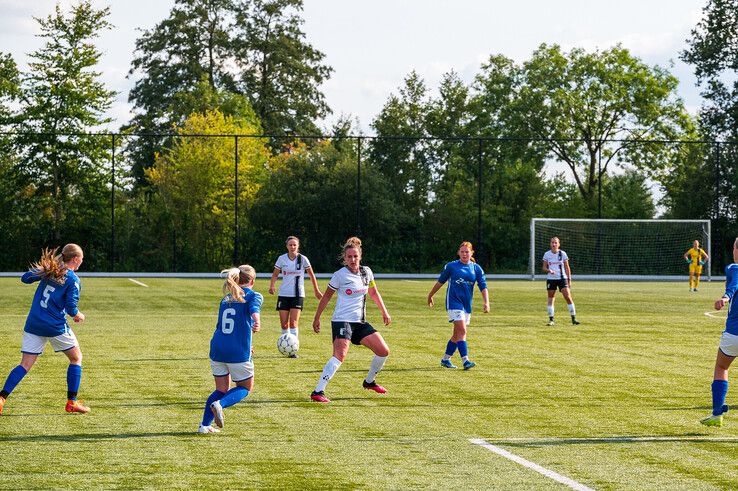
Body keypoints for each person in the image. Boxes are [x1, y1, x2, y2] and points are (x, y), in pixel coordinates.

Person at [0, 244, 89, 415]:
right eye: (82, 259)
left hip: (34, 323)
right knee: (76, 358)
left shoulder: (51, 270)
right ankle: (72, 402)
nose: (81, 262)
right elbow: (71, 308)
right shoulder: (73, 279)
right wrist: (79, 315)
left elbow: (25, 278)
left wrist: (44, 269)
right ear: (76, 259)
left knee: (24, 364)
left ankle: (2, 397)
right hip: (54, 326)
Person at [310, 237, 391, 403]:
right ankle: (318, 391)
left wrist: (384, 312)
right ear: (344, 258)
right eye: (349, 257)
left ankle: (369, 382)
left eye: (355, 256)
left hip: (360, 322)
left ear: (360, 256)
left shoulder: (367, 272)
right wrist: (317, 318)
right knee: (339, 355)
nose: (353, 259)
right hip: (342, 321)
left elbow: (374, 293)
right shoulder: (339, 275)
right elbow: (326, 297)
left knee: (383, 351)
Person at [199, 265, 262, 434]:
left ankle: (204, 426)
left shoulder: (225, 298)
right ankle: (220, 405)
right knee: (245, 387)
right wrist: (257, 321)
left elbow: (223, 325)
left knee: (221, 389)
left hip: (218, 348)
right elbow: (254, 310)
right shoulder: (253, 295)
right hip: (237, 351)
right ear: (252, 281)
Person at [427, 241, 490, 370]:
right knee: (462, 331)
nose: (464, 254)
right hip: (454, 303)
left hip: (467, 305)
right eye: (462, 252)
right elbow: (440, 281)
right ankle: (465, 360)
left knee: (457, 335)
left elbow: (483, 286)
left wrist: (486, 302)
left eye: (467, 252)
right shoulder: (451, 266)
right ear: (458, 253)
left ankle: (445, 359)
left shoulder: (476, 268)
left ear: (471, 253)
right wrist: (430, 295)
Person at [701, 238, 738, 427]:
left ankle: (717, 413)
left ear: (735, 250)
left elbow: (735, 284)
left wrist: (725, 297)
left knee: (722, 368)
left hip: (734, 333)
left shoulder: (733, 267)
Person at [268, 236, 322, 357]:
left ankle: (293, 350)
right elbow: (275, 274)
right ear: (287, 246)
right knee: (284, 324)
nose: (292, 247)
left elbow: (312, 275)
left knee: (293, 323)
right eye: (290, 245)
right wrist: (272, 285)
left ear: (298, 246)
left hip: (298, 295)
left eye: (294, 245)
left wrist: (316, 290)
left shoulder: (303, 259)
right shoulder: (281, 259)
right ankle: (286, 347)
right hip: (283, 294)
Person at [542, 236, 580, 326]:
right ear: (550, 244)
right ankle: (551, 320)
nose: (554, 244)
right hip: (551, 279)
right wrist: (549, 270)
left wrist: (569, 279)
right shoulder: (547, 254)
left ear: (559, 244)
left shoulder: (563, 254)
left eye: (556, 242)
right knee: (551, 298)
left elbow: (567, 267)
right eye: (552, 242)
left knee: (568, 297)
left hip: (562, 278)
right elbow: (544, 267)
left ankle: (573, 319)